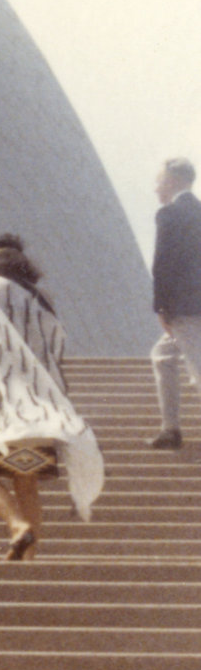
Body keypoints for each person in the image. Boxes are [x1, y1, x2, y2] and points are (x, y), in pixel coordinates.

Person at [0, 234, 104, 560]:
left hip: (1, 407)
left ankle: (17, 527)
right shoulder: (44, 300)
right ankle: (29, 558)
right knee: (26, 483)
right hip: (40, 408)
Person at [147, 157, 201, 450]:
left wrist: (161, 307)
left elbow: (162, 263)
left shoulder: (169, 214)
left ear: (173, 182)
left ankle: (171, 430)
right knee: (163, 356)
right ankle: (170, 430)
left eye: (159, 182)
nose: (157, 188)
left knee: (198, 370)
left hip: (185, 308)